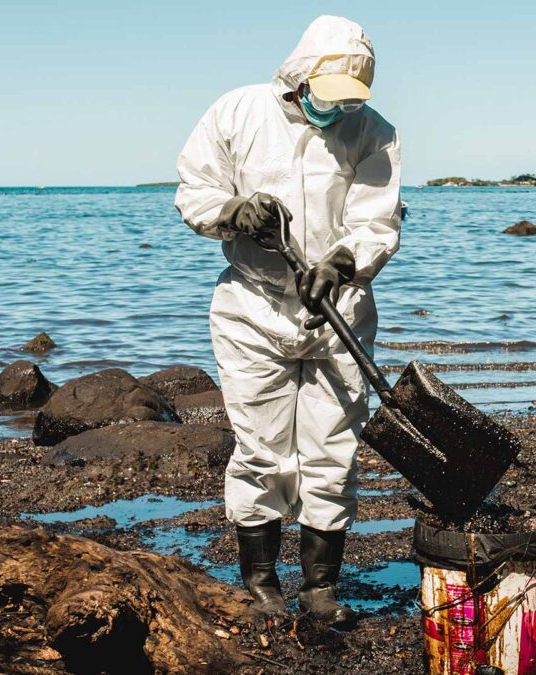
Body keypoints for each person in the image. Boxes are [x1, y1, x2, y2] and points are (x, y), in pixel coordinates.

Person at [173, 15, 400, 625]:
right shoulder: (238, 113)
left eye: (350, 101)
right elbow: (192, 191)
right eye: (331, 98)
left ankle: (320, 588)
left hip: (339, 306)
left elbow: (377, 219)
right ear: (299, 77)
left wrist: (346, 259)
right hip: (253, 305)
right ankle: (261, 582)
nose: (339, 110)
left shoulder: (373, 132)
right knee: (260, 448)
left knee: (334, 448)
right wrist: (233, 211)